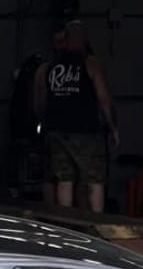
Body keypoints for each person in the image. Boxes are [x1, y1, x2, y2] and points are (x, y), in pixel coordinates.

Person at [34, 20, 117, 213]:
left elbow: (39, 103)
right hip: (86, 131)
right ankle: (97, 224)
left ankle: (66, 225)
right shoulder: (90, 64)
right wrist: (112, 127)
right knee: (94, 180)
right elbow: (104, 98)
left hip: (56, 131)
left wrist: (45, 124)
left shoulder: (48, 68)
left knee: (64, 180)